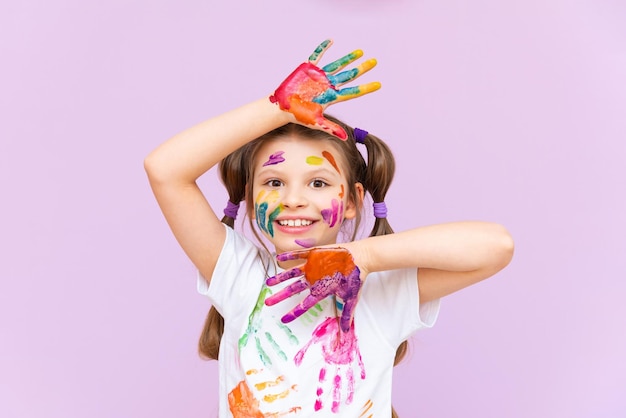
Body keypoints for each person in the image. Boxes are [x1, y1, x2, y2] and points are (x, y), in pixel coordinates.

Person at [144, 40, 514, 418]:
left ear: (352, 201)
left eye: (318, 183)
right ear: (251, 200)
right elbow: (165, 170)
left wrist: (363, 255)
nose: (293, 199)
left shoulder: (380, 291)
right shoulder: (239, 275)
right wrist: (275, 108)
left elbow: (496, 245)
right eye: (273, 182)